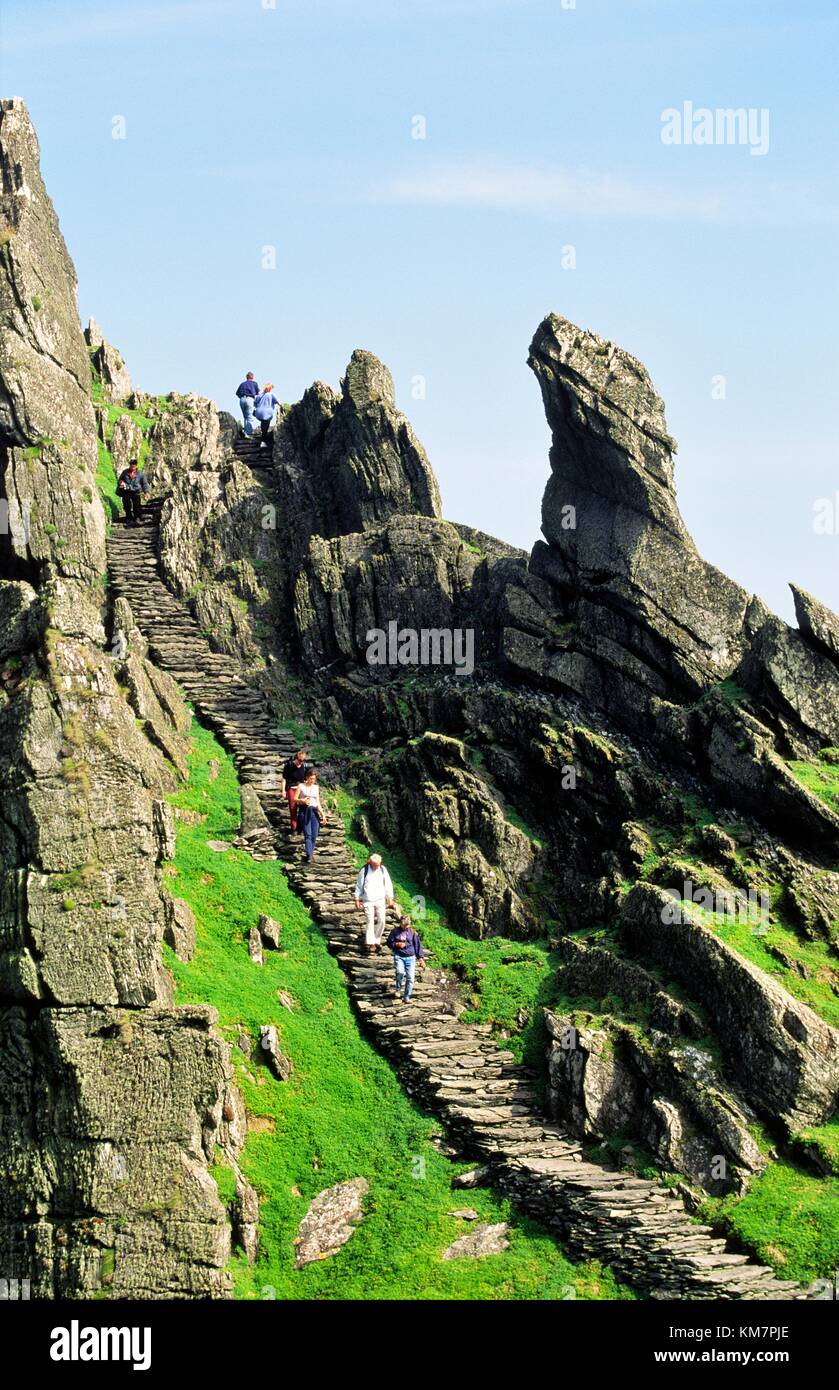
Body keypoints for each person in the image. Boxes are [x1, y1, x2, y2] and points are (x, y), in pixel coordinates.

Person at [353, 853, 394, 953]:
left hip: (380, 898)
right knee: (370, 920)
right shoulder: (364, 870)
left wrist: (390, 897)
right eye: (375, 864)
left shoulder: (383, 870)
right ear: (371, 862)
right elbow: (359, 885)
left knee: (382, 920)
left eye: (379, 864)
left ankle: (377, 940)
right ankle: (371, 942)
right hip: (368, 899)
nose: (377, 866)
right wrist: (357, 899)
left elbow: (388, 884)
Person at [386, 914, 426, 1005]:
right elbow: (389, 943)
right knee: (400, 972)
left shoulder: (412, 933)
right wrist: (396, 945)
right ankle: (398, 989)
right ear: (401, 924)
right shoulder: (394, 932)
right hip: (399, 956)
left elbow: (417, 946)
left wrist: (420, 958)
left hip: (411, 958)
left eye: (408, 925)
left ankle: (407, 997)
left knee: (410, 978)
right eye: (405, 925)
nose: (407, 927)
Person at [296, 770, 328, 861]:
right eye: (310, 778)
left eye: (314, 779)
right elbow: (295, 798)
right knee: (308, 834)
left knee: (314, 834)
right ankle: (309, 854)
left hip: (314, 811)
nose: (312, 780)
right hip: (305, 810)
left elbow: (318, 802)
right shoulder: (301, 786)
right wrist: (302, 801)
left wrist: (323, 815)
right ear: (307, 777)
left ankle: (310, 853)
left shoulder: (316, 787)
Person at [280, 750, 309, 831]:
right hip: (291, 788)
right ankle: (294, 828)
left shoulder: (304, 766)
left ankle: (301, 827)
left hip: (301, 789)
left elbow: (306, 779)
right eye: (300, 760)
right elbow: (284, 779)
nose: (301, 762)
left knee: (303, 808)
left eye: (303, 761)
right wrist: (283, 791)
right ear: (296, 758)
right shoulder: (289, 766)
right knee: (293, 808)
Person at [116, 459, 150, 525]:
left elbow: (144, 483)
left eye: (134, 465)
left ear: (136, 466)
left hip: (136, 491)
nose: (132, 467)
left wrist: (146, 492)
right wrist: (121, 482)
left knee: (137, 506)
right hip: (126, 491)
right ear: (130, 465)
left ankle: (137, 518)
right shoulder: (125, 472)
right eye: (131, 465)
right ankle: (129, 518)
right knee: (127, 505)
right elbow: (120, 480)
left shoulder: (140, 474)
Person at [253, 382, 280, 449]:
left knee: (263, 422)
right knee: (266, 425)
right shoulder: (271, 394)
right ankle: (263, 441)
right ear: (270, 389)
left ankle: (263, 436)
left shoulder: (260, 395)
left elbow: (255, 403)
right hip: (267, 413)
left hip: (258, 413)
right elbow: (278, 401)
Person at [235, 372, 260, 436]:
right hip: (250, 399)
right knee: (249, 416)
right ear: (252, 377)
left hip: (242, 400)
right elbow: (258, 393)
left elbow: (237, 393)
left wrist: (242, 397)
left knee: (245, 416)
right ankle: (249, 433)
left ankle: (246, 432)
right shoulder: (255, 383)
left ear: (246, 377)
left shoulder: (242, 384)